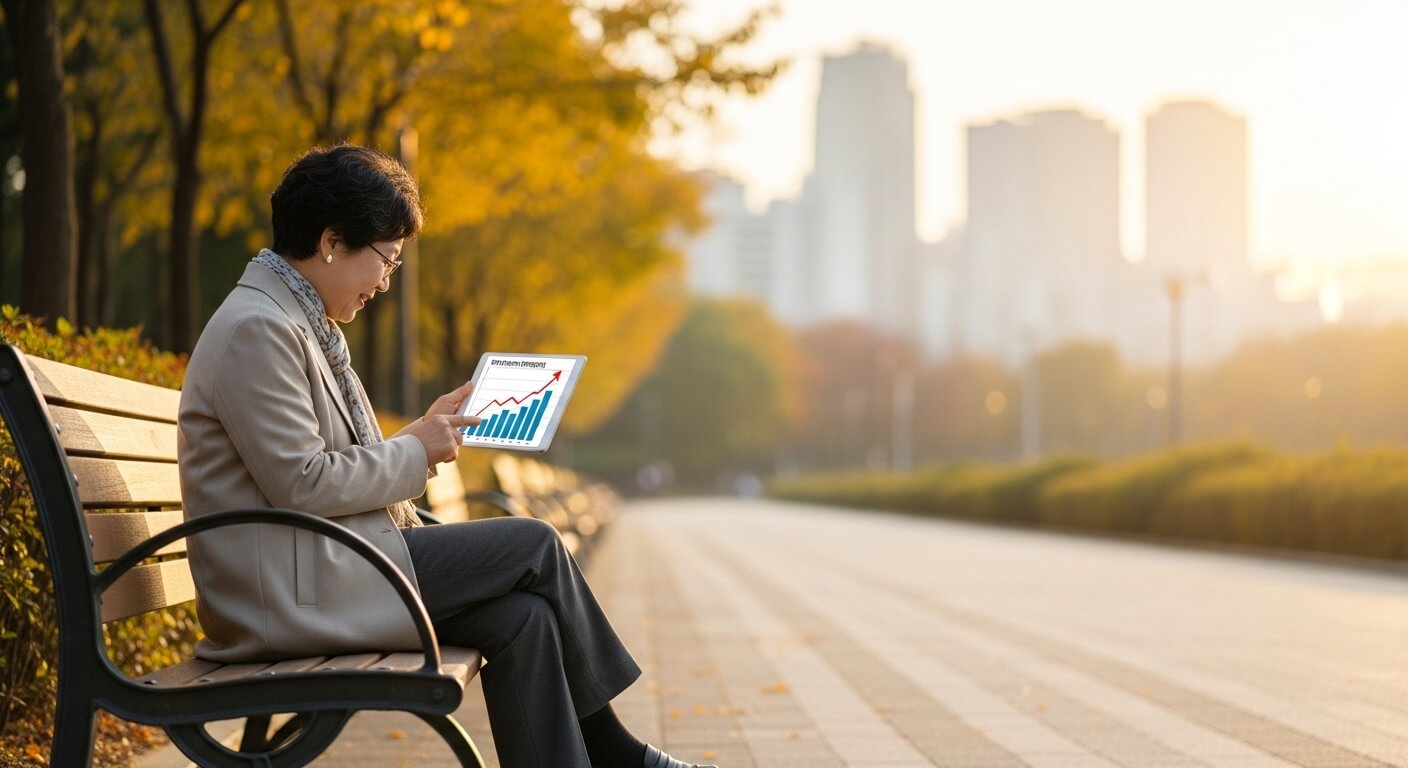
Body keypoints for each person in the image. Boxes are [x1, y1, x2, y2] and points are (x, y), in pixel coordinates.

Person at [176, 144, 714, 768]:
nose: (385, 281)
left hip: (324, 568)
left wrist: (423, 436)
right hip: (291, 592)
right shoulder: (259, 329)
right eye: (386, 260)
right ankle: (620, 755)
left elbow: (313, 473)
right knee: (534, 543)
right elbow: (303, 481)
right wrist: (414, 448)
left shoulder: (294, 323)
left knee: (525, 617)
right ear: (330, 241)